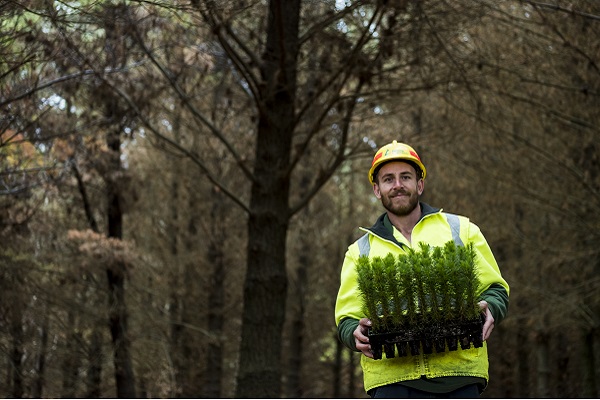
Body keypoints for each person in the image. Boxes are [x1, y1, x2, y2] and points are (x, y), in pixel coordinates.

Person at [334, 141, 509, 398]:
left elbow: (495, 289)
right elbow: (347, 318)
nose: (397, 185)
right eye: (388, 179)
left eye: (405, 177)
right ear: (376, 190)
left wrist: (491, 307)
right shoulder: (359, 251)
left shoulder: (461, 230)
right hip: (393, 383)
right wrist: (354, 333)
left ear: (420, 184)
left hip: (459, 377)